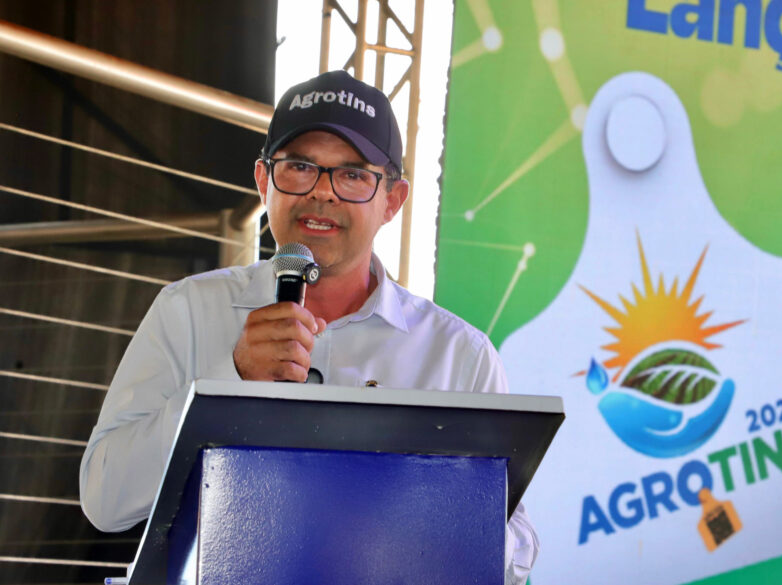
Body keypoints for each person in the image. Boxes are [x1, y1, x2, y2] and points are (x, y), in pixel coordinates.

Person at [79, 70, 538, 584]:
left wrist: (426, 498)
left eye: (353, 174)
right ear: (263, 181)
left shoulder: (458, 355)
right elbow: (104, 500)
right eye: (299, 167)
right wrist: (230, 378)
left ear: (392, 200)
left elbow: (517, 552)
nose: (322, 193)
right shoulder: (186, 310)